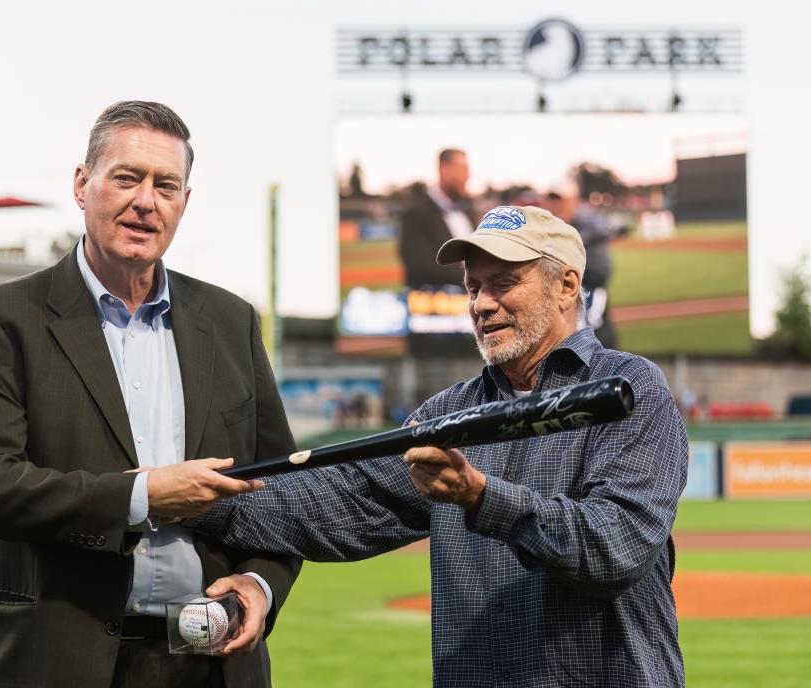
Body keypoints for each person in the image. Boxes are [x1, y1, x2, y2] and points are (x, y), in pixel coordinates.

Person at [194, 205, 689, 687]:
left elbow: (615, 547)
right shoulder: (445, 415)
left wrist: (480, 497)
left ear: (567, 287)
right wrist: (181, 497)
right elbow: (334, 504)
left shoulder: (629, 389)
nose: (481, 303)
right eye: (473, 287)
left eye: (503, 283)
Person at [0, 101, 300, 688]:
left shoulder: (232, 320)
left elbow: (280, 491)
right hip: (58, 661)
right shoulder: (0, 317)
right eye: (127, 178)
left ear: (184, 202)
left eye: (166, 185)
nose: (146, 201)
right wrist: (142, 496)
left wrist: (260, 583)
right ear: (83, 185)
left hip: (213, 663)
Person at [543, 187, 621, 348]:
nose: (555, 207)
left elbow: (600, 273)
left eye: (560, 201)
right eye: (551, 202)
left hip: (592, 327)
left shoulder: (591, 232)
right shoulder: (543, 235)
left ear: (573, 202)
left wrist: (558, 262)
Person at [398, 149, 475, 289]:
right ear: (443, 170)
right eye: (462, 169)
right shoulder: (415, 214)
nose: (467, 176)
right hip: (436, 305)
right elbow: (420, 267)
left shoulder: (468, 211)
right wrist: (475, 278)